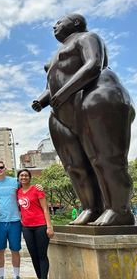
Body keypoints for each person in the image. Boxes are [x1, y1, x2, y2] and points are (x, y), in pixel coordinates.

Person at [32, 13, 135, 226]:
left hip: (96, 97)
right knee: (74, 165)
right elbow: (51, 85)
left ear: (76, 23)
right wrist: (42, 100)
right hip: (63, 110)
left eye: (60, 22)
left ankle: (119, 209)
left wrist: (64, 92)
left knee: (105, 158)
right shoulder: (56, 55)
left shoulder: (87, 37)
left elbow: (94, 65)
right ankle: (91, 208)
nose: (55, 25)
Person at [0, 161, 21, 279]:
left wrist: (38, 186)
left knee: (15, 249)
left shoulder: (15, 182)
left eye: (1, 167)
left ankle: (16, 275)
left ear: (5, 168)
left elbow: (27, 190)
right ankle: (1, 276)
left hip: (14, 221)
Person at [17, 169, 54, 279]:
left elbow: (45, 209)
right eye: (21, 176)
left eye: (26, 175)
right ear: (18, 178)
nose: (24, 177)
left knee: (42, 255)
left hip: (41, 226)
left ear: (30, 177)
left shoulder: (37, 189)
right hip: (27, 227)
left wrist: (49, 226)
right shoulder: (18, 192)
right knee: (33, 255)